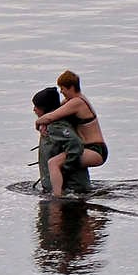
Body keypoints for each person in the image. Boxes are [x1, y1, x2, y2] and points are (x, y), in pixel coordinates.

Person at [33, 69, 107, 197]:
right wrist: (45, 122)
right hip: (87, 148)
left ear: (71, 87)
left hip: (96, 150)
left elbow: (50, 117)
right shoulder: (71, 101)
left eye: (62, 89)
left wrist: (39, 122)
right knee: (61, 163)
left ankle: (57, 196)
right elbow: (55, 113)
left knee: (53, 163)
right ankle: (73, 190)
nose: (61, 92)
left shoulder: (77, 102)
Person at [32, 86, 90, 197]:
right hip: (69, 188)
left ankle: (57, 199)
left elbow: (75, 145)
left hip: (72, 189)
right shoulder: (50, 124)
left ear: (45, 108)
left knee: (56, 212)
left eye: (36, 106)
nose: (34, 109)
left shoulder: (55, 126)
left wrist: (65, 168)